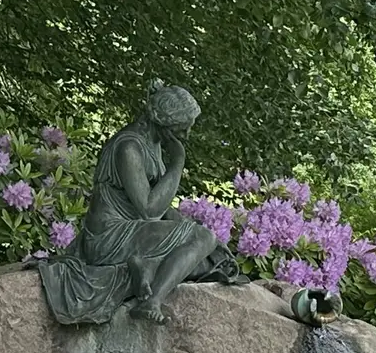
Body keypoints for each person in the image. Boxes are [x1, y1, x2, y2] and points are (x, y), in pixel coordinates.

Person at [39, 82, 240, 324]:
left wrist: (198, 232)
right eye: (181, 128)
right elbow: (149, 209)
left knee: (213, 256)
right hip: (108, 237)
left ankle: (148, 267)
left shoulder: (153, 144)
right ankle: (152, 301)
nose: (186, 136)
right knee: (202, 240)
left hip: (133, 230)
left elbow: (161, 208)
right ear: (162, 122)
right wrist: (178, 163)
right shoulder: (129, 148)